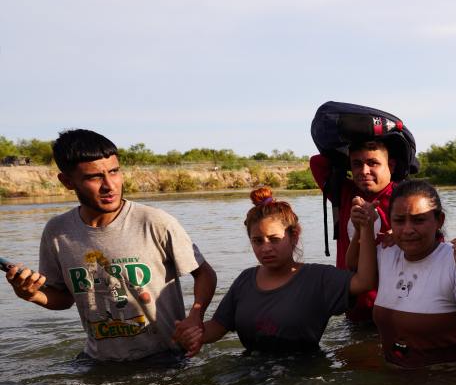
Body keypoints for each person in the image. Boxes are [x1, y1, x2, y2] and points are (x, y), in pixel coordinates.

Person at [4, 129, 216, 362]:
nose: (109, 185)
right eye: (94, 177)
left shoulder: (154, 222)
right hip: (98, 361)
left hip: (165, 358)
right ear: (67, 182)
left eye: (114, 172)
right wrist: (31, 294)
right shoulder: (57, 232)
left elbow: (204, 273)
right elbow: (63, 299)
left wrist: (195, 316)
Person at [175, 187, 378, 355]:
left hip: (303, 378)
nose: (265, 248)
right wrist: (195, 335)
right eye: (257, 241)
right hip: (250, 377)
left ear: (294, 236)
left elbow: (365, 281)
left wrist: (365, 228)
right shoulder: (245, 280)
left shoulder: (318, 278)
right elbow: (218, 327)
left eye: (274, 239)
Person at [347, 180, 456, 368]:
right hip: (397, 381)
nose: (408, 230)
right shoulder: (387, 253)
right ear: (390, 222)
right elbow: (354, 266)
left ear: (439, 221)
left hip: (451, 382)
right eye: (399, 221)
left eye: (419, 220)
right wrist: (364, 227)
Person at [310, 139, 398, 322]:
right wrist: (353, 138)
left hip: (394, 306)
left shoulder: (404, 198)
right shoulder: (343, 192)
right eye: (357, 164)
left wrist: (399, 236)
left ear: (390, 165)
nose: (364, 171)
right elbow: (316, 162)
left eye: (373, 163)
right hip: (353, 304)